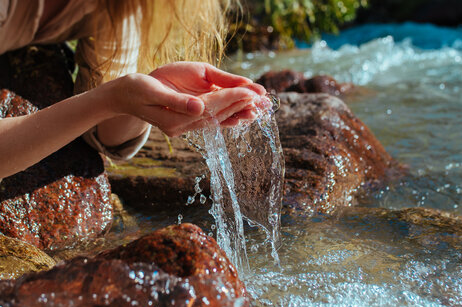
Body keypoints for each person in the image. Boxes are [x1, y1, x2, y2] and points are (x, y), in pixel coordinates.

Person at [0, 0, 269, 180]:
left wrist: (145, 99)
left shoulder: (120, 7)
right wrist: (109, 99)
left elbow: (107, 135)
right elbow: (106, 101)